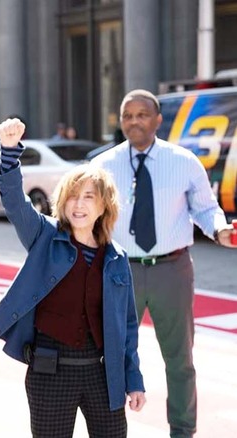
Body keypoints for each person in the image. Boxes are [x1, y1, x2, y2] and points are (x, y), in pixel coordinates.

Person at [0, 118, 146, 438]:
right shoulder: (44, 236)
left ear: (104, 205)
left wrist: (133, 380)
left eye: (88, 197)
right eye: (72, 196)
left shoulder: (116, 258)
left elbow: (128, 328)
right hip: (49, 370)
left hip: (101, 373)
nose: (78, 204)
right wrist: (9, 151)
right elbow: (15, 203)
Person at [90, 89, 237, 438]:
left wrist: (219, 230)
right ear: (121, 122)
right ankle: (109, 427)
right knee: (110, 354)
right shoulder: (102, 166)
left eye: (142, 115)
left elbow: (205, 209)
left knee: (180, 359)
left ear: (158, 120)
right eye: (128, 115)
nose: (134, 121)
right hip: (118, 271)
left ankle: (182, 430)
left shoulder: (184, 162)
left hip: (172, 269)